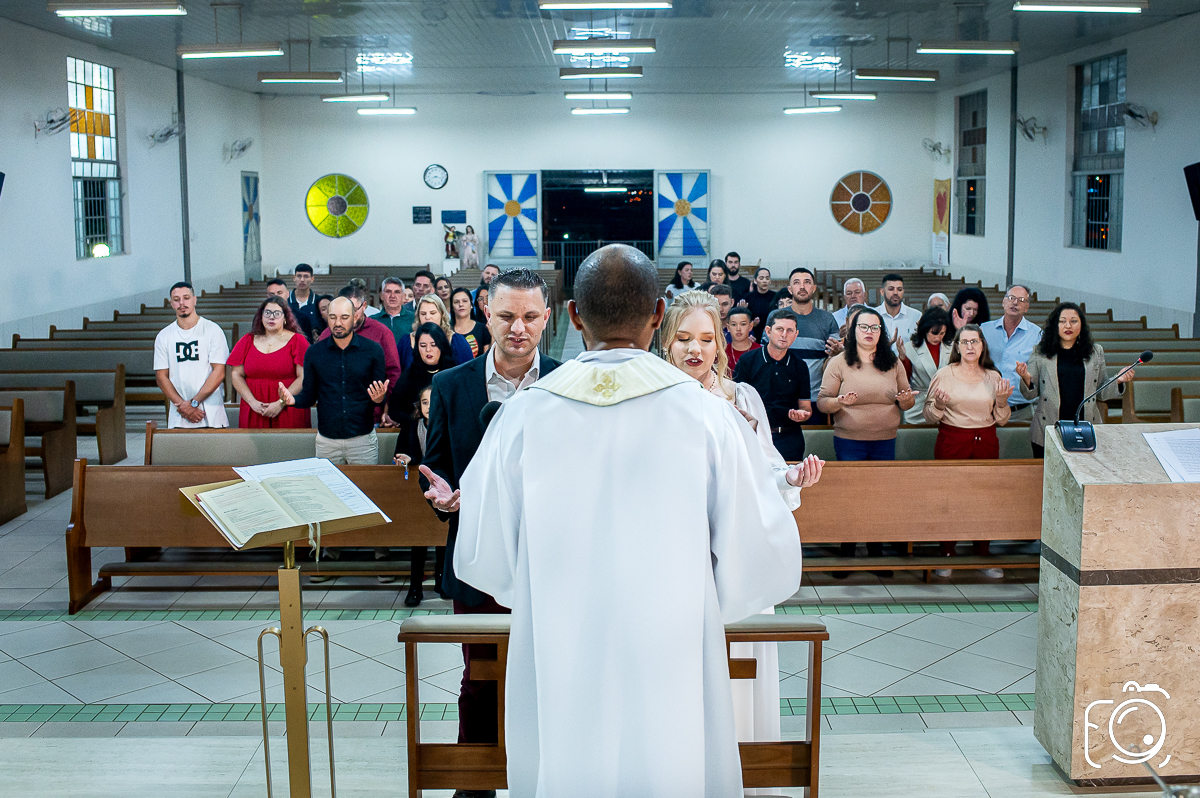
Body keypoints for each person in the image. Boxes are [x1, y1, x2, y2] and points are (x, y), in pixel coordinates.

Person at [442, 244, 802, 798]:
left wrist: (542, 591)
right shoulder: (707, 415)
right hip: (671, 644)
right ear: (659, 314)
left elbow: (481, 554)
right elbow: (759, 551)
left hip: (562, 643)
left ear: (572, 316)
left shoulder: (523, 416)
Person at [659, 289, 822, 766]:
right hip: (674, 553)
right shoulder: (653, 401)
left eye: (706, 338)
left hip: (735, 549)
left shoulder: (741, 397)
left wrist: (789, 477)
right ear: (666, 342)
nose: (695, 349)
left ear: (720, 343)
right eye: (683, 338)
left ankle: (740, 768)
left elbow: (764, 471)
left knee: (737, 669)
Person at [417, 268, 561, 773]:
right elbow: (436, 466)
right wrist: (442, 498)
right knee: (480, 676)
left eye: (529, 316)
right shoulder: (451, 385)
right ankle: (474, 779)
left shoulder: (568, 382)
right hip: (479, 555)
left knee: (551, 676)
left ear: (547, 317)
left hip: (552, 561)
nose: (518, 328)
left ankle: (547, 775)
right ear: (486, 313)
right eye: (506, 316)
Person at [818, 306, 916, 575]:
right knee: (850, 497)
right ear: (853, 331)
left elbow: (907, 400)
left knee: (879, 497)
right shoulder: (839, 362)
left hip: (885, 439)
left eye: (875, 327)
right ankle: (847, 552)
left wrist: (906, 400)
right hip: (850, 440)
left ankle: (876, 553)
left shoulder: (892, 362)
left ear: (881, 332)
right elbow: (823, 402)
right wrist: (839, 402)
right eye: (863, 327)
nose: (869, 332)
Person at [923, 324, 1013, 579]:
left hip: (985, 440)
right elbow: (928, 415)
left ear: (983, 345)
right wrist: (939, 405)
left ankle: (982, 553)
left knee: (984, 499)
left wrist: (1002, 402)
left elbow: (1002, 419)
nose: (970, 347)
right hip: (953, 440)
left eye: (975, 341)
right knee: (949, 498)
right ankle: (947, 553)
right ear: (957, 347)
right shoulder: (944, 374)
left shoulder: (993, 376)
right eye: (965, 342)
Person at [389, 323, 458, 602]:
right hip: (417, 458)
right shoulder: (411, 375)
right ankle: (415, 585)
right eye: (422, 345)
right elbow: (396, 411)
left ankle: (443, 580)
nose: (428, 351)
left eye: (433, 345)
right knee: (419, 527)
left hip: (448, 461)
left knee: (444, 526)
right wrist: (415, 419)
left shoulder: (454, 372)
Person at [1015, 302, 1133, 458]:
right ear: (1055, 325)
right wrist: (1026, 378)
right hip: (1048, 427)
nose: (1068, 326)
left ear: (1081, 325)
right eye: (1062, 321)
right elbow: (1030, 394)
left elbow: (1101, 392)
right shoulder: (1041, 352)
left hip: (1086, 427)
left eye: (1073, 321)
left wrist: (1118, 380)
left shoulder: (1095, 352)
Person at [733, 307, 814, 461]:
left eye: (790, 331)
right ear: (768, 331)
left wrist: (801, 415)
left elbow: (806, 407)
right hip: (755, 435)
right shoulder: (748, 361)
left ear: (796, 335)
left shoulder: (800, 366)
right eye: (780, 329)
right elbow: (734, 401)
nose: (784, 335)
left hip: (789, 438)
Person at [154, 282, 229, 429]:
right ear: (171, 303)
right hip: (179, 412)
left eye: (186, 298)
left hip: (210, 411)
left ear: (195, 300)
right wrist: (183, 406)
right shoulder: (164, 336)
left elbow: (219, 372)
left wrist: (194, 403)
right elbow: (161, 377)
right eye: (176, 300)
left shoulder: (212, 330)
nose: (182, 303)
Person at [228, 297, 311, 429]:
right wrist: (252, 402)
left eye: (277, 313)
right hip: (255, 408)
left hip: (288, 408)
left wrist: (281, 403)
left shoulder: (298, 341)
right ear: (261, 317)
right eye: (267, 313)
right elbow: (236, 374)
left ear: (285, 318)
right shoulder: (247, 340)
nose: (271, 317)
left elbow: (303, 377)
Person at [318, 285, 402, 396]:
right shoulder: (327, 334)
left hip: (371, 403)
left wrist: (387, 403)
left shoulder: (381, 332)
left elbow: (393, 373)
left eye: (354, 310)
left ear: (364, 306)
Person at [786, 267, 842, 424]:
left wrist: (838, 351)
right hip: (783, 398)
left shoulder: (827, 319)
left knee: (817, 439)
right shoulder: (777, 318)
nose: (802, 286)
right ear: (790, 289)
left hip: (816, 398)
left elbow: (834, 356)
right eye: (797, 282)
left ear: (814, 288)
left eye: (807, 282)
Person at [981, 284, 1040, 422]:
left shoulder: (1036, 335)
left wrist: (1026, 377)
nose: (1015, 303)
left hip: (1021, 411)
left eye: (1021, 300)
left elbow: (1039, 376)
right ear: (1003, 301)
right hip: (986, 408)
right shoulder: (985, 330)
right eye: (1011, 298)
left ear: (1027, 307)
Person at [901, 308, 952, 424]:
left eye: (942, 333)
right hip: (917, 408)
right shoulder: (909, 348)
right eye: (933, 333)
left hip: (944, 408)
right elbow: (904, 380)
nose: (937, 338)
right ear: (924, 329)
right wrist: (902, 359)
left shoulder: (952, 347)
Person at [398, 294, 474, 370]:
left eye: (432, 313)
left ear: (442, 314)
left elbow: (468, 371)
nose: (427, 317)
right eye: (423, 314)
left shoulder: (457, 341)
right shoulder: (406, 341)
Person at [874, 273, 921, 354]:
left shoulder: (916, 316)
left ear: (903, 291)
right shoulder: (873, 315)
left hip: (907, 361)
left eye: (899, 289)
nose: (895, 292)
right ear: (882, 291)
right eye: (891, 289)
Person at [376, 277, 417, 351]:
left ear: (403, 296)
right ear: (382, 296)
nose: (392, 296)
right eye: (388, 291)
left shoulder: (414, 319)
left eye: (397, 292)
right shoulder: (372, 320)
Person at [450, 286, 491, 358]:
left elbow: (486, 358)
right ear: (452, 307)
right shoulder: (448, 331)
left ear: (471, 304)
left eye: (465, 301)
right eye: (456, 302)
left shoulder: (483, 329)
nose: (461, 304)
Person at [744, 267, 777, 342]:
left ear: (770, 281)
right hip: (753, 335)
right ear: (755, 281)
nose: (764, 281)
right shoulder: (748, 297)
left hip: (772, 335)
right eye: (761, 278)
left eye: (767, 278)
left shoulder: (775, 297)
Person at [725, 306, 760, 374]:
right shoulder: (722, 353)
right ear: (728, 327)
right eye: (734, 324)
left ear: (750, 326)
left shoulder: (760, 352)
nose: (738, 328)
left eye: (743, 324)